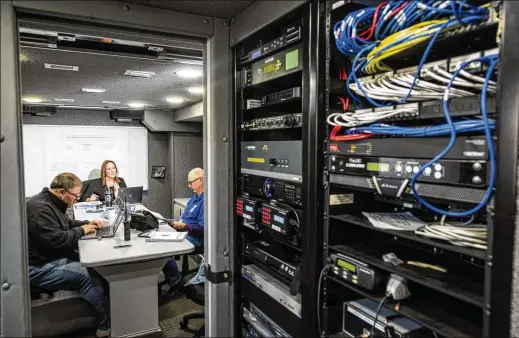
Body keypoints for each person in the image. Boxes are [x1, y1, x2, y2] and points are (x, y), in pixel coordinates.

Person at [27, 173, 111, 337]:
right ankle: (106, 324)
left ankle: (103, 303)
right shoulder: (40, 209)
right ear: (61, 192)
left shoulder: (51, 202)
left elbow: (65, 224)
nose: (77, 198)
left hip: (48, 256)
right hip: (36, 266)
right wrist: (82, 230)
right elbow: (56, 240)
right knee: (85, 273)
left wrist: (87, 223)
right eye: (75, 195)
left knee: (92, 263)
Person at [161, 168, 204, 300]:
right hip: (183, 231)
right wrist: (175, 223)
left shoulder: (206, 201)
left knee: (164, 251)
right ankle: (173, 277)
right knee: (160, 242)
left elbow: (203, 230)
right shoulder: (194, 198)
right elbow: (185, 219)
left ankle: (176, 283)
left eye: (191, 182)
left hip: (196, 238)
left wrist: (184, 226)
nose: (189, 185)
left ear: (201, 180)